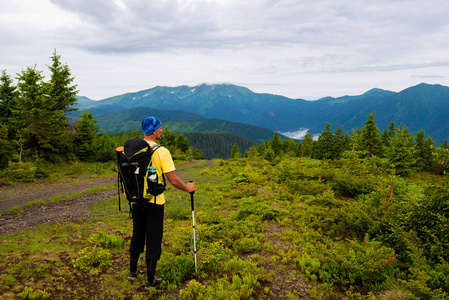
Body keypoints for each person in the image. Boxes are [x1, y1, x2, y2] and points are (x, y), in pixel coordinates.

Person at [127, 116, 195, 289]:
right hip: (154, 202)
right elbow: (172, 180)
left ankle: (132, 272)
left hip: (136, 200)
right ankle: (151, 280)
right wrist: (187, 188)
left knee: (138, 234)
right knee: (153, 239)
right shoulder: (161, 151)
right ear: (154, 130)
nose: (162, 130)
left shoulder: (134, 150)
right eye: (160, 128)